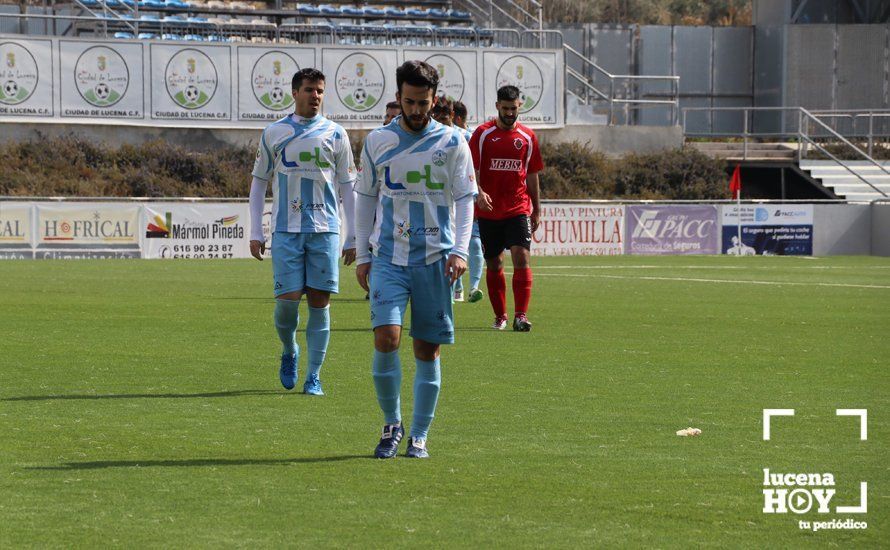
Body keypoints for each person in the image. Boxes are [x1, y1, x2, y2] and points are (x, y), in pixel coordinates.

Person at [354, 60, 476, 459]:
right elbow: (367, 197)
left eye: (423, 103)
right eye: (409, 102)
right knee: (386, 338)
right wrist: (361, 253)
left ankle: (419, 435)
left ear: (434, 100)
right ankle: (391, 423)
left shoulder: (454, 143)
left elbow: (464, 199)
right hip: (388, 256)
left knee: (427, 349)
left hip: (435, 259)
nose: (416, 110)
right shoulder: (377, 141)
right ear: (398, 98)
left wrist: (459, 251)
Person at [249, 68, 357, 395]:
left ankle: (314, 375)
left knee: (320, 303)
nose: (316, 96)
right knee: (287, 303)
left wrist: (353, 237)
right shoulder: (274, 133)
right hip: (286, 228)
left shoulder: (336, 134)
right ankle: (289, 349)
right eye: (309, 90)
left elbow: (348, 186)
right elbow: (258, 183)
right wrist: (256, 230)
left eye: (320, 91)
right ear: (295, 93)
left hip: (325, 230)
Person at [469, 85, 544, 332]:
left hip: (517, 208)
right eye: (506, 108)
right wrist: (479, 193)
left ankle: (520, 316)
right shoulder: (482, 134)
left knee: (521, 256)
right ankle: (500, 316)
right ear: (497, 106)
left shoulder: (528, 137)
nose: (510, 112)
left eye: (514, 108)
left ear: (519, 106)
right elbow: (472, 171)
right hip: (489, 210)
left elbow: (532, 174)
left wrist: (537, 208)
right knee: (495, 264)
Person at [431, 97, 484, 303]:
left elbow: (477, 167)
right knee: (447, 245)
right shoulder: (430, 137)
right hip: (441, 201)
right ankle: (455, 289)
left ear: (452, 116)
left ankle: (474, 287)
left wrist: (479, 191)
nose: (441, 122)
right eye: (438, 117)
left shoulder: (465, 137)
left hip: (464, 197)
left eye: (445, 118)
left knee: (474, 243)